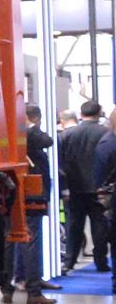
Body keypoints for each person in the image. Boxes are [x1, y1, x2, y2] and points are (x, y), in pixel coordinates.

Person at [4, 103, 56, 304]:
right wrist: (28, 125)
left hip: (13, 192)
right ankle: (33, 290)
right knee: (30, 240)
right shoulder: (28, 133)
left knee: (11, 240)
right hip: (29, 194)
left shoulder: (9, 133)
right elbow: (48, 140)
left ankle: (11, 287)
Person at [57, 100, 110, 272]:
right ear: (99, 113)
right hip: (100, 188)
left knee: (74, 225)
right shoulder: (106, 133)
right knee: (99, 225)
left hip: (74, 188)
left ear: (81, 114)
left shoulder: (67, 135)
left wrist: (65, 186)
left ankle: (69, 261)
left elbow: (60, 162)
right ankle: (101, 261)